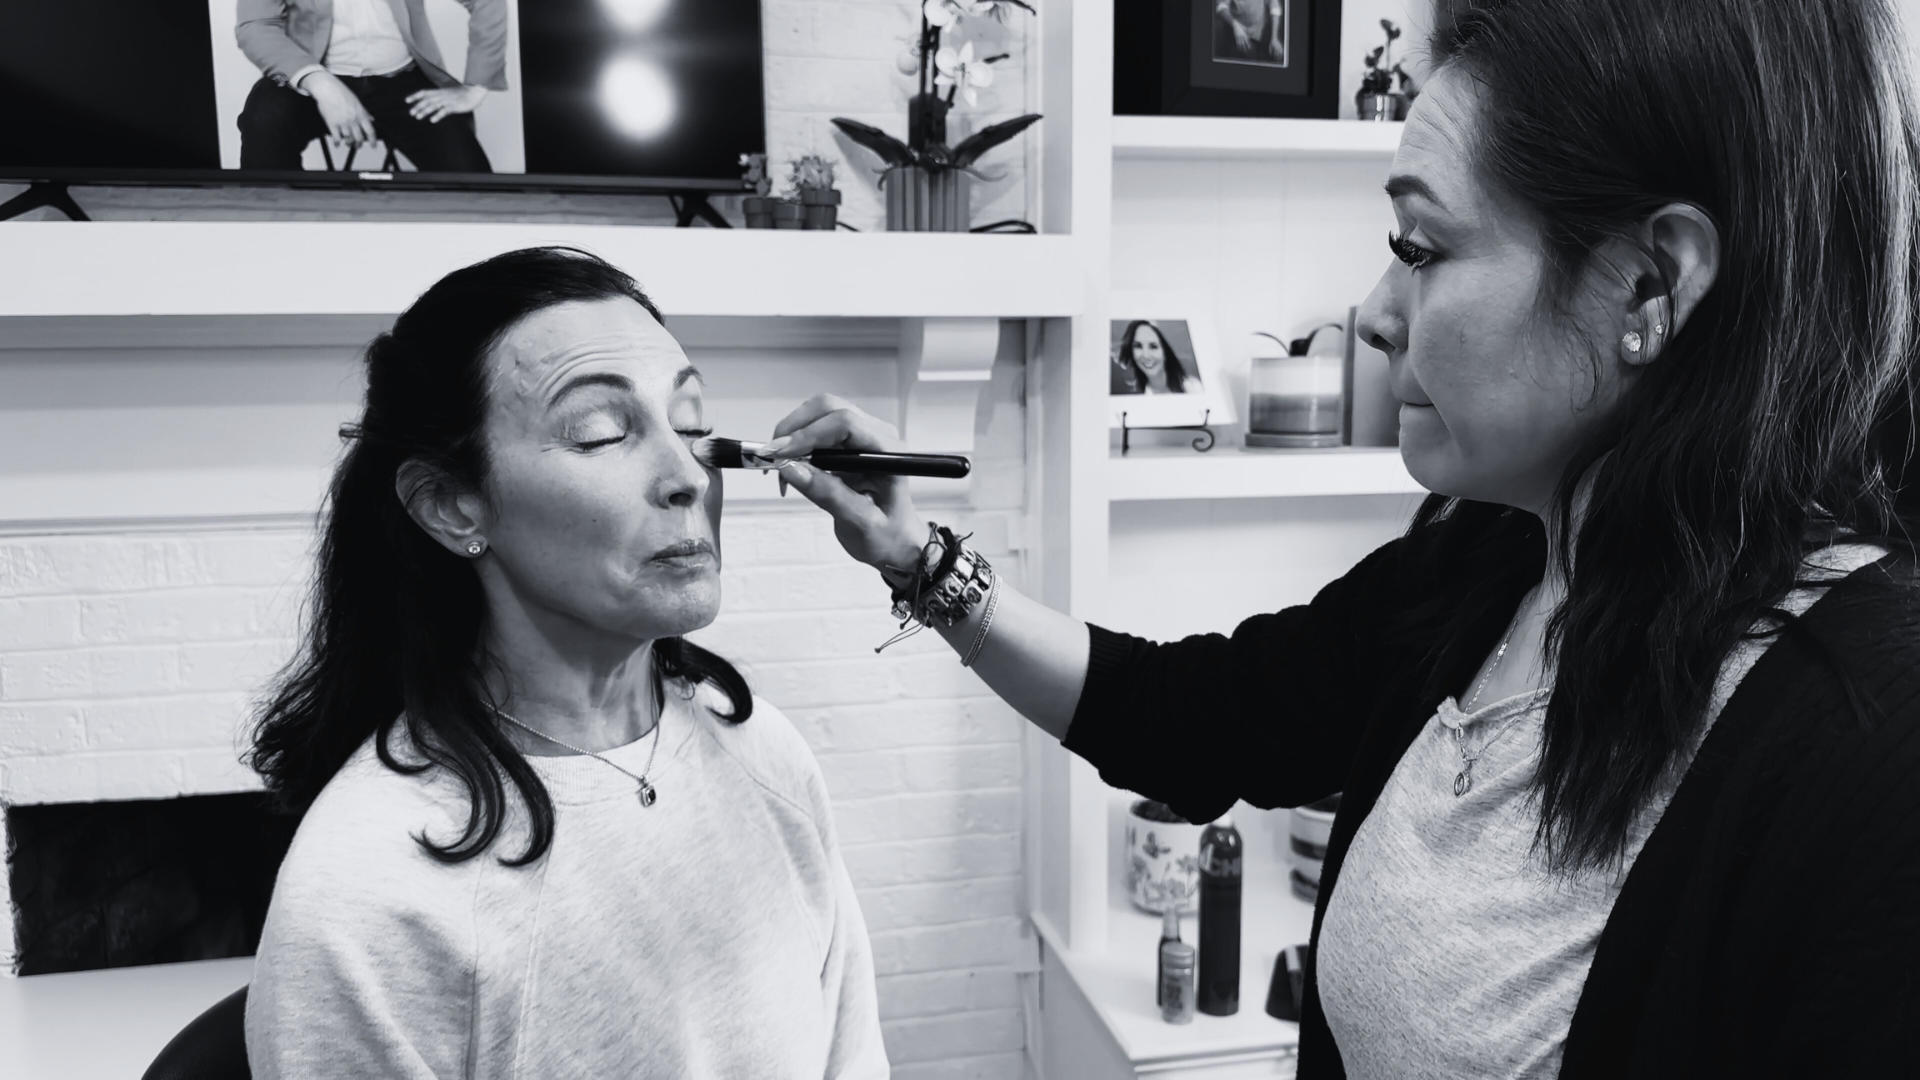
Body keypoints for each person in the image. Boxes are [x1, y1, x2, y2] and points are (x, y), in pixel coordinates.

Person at [767, 0, 1920, 1074]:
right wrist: (919, 558)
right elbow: (1185, 716)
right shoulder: (1487, 566)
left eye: (1422, 248)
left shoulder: (1867, 743)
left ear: (1647, 287)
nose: (1372, 313)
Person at [243, 247, 888, 1079]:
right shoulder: (364, 894)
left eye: (692, 426)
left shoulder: (765, 755)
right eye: (601, 433)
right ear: (451, 505)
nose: (687, 476)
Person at [234, 0, 506, 172]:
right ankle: (272, 233)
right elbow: (256, 26)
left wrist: (477, 86)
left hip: (404, 80)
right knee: (263, 121)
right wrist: (321, 82)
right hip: (310, 77)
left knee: (471, 183)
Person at [1111, 320, 1202, 395]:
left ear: (1165, 351)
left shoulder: (1193, 388)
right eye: (1138, 346)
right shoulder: (1136, 397)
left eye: (1153, 346)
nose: (1146, 355)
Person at [1213, 0, 1285, 63]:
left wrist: (1274, 37)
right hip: (1241, 34)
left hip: (1264, 31)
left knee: (1279, 57)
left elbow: (1274, 7)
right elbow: (1220, 5)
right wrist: (1235, 25)